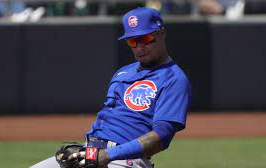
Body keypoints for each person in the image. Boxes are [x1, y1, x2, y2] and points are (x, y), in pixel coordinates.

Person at [30, 7, 191, 168]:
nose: (139, 47)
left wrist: (108, 155)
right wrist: (89, 151)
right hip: (91, 152)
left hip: (124, 161)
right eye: (132, 41)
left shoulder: (174, 79)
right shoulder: (123, 72)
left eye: (145, 38)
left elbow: (161, 137)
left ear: (161, 33)